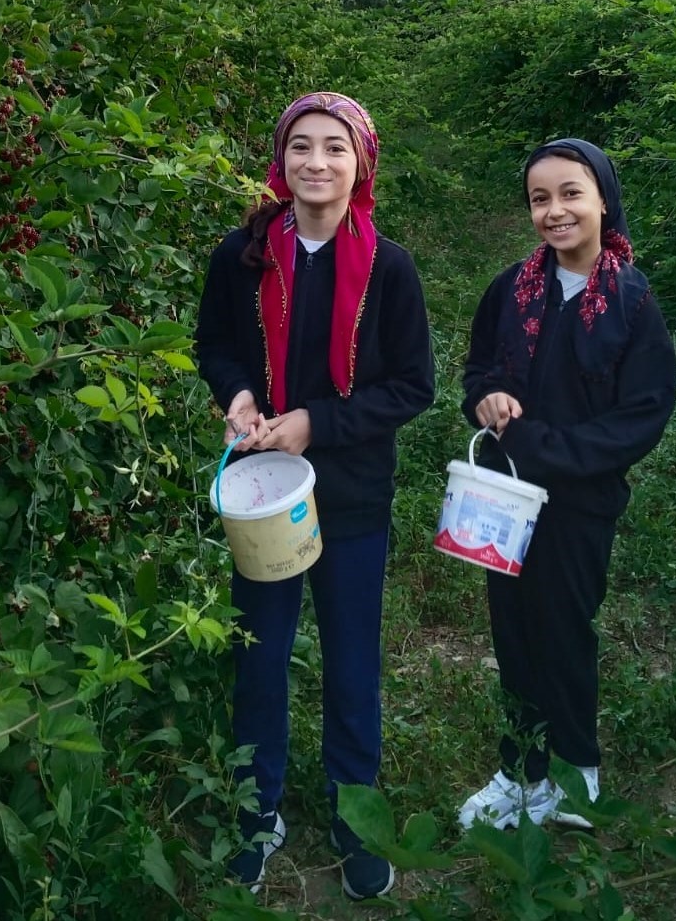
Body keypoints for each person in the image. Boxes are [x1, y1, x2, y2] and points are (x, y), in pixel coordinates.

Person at [195, 92, 434, 898]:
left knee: (351, 658)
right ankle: (256, 810)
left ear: (361, 161)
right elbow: (216, 344)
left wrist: (316, 423)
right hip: (264, 491)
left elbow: (412, 386)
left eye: (336, 147)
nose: (317, 162)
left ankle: (353, 811)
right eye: (301, 146)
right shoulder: (245, 254)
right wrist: (237, 395)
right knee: (258, 652)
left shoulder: (388, 266)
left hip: (353, 494)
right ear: (281, 159)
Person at [456, 138, 676, 831]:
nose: (555, 211)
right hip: (504, 498)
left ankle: (576, 772)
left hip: (581, 505)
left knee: (563, 629)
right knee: (514, 631)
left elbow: (641, 415)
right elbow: (478, 371)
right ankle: (520, 770)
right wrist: (487, 400)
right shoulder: (510, 289)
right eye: (540, 198)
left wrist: (547, 447)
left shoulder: (631, 303)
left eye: (571, 193)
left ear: (604, 199)